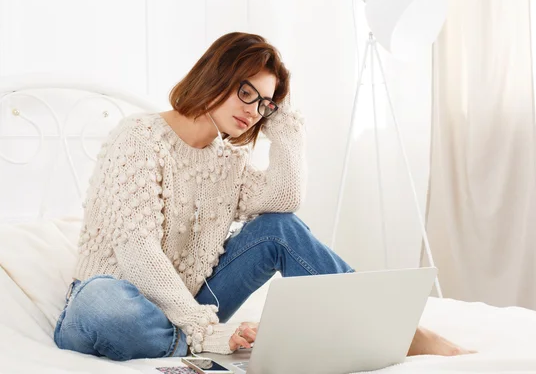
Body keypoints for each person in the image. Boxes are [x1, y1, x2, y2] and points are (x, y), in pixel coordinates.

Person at [53, 32, 473, 360]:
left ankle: (397, 329)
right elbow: (137, 251)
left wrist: (284, 120)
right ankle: (189, 343)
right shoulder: (139, 138)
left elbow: (286, 198)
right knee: (103, 304)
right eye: (246, 92)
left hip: (190, 304)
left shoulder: (227, 162)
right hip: (123, 299)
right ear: (215, 75)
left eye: (265, 104)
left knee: (279, 228)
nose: (254, 110)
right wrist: (207, 331)